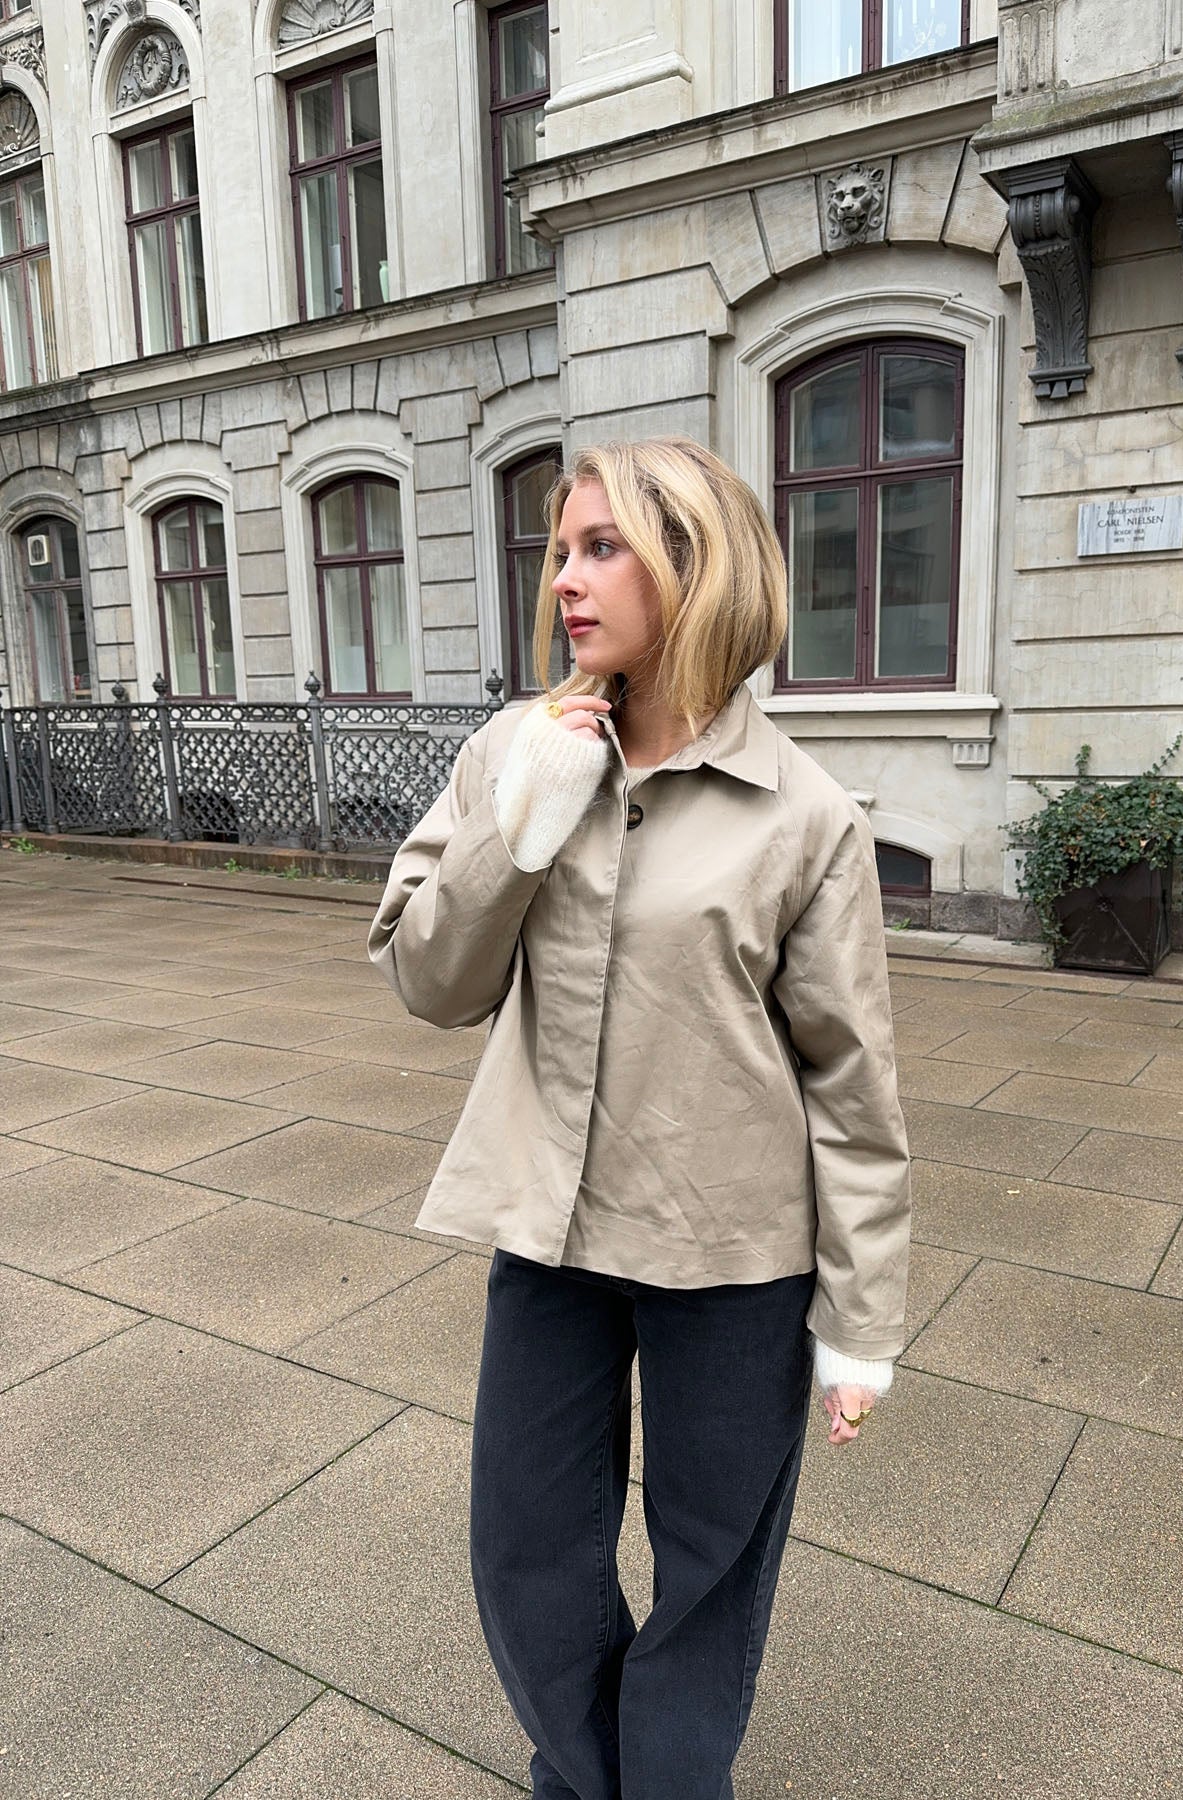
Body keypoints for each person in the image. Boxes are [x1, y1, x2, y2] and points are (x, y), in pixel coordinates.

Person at [368, 436, 911, 1800]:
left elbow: (850, 1086)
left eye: (601, 547)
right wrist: (518, 831)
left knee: (709, 1572)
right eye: (561, 550)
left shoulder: (805, 817)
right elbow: (429, 982)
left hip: (733, 1255)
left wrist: (861, 1318)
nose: (564, 578)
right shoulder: (512, 751)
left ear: (696, 566)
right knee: (526, 1555)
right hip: (549, 1234)